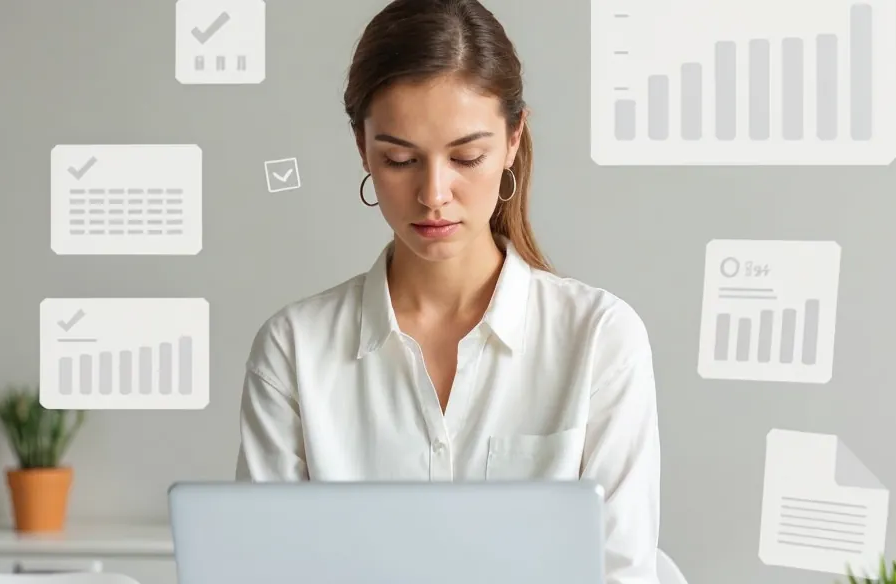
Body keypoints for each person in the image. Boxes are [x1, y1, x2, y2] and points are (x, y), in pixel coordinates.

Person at [234, 0, 661, 581]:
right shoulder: (294, 349)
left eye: (467, 157)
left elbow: (621, 571)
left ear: (513, 140)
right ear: (363, 148)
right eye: (400, 159)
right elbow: (259, 568)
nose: (434, 193)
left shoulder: (600, 338)